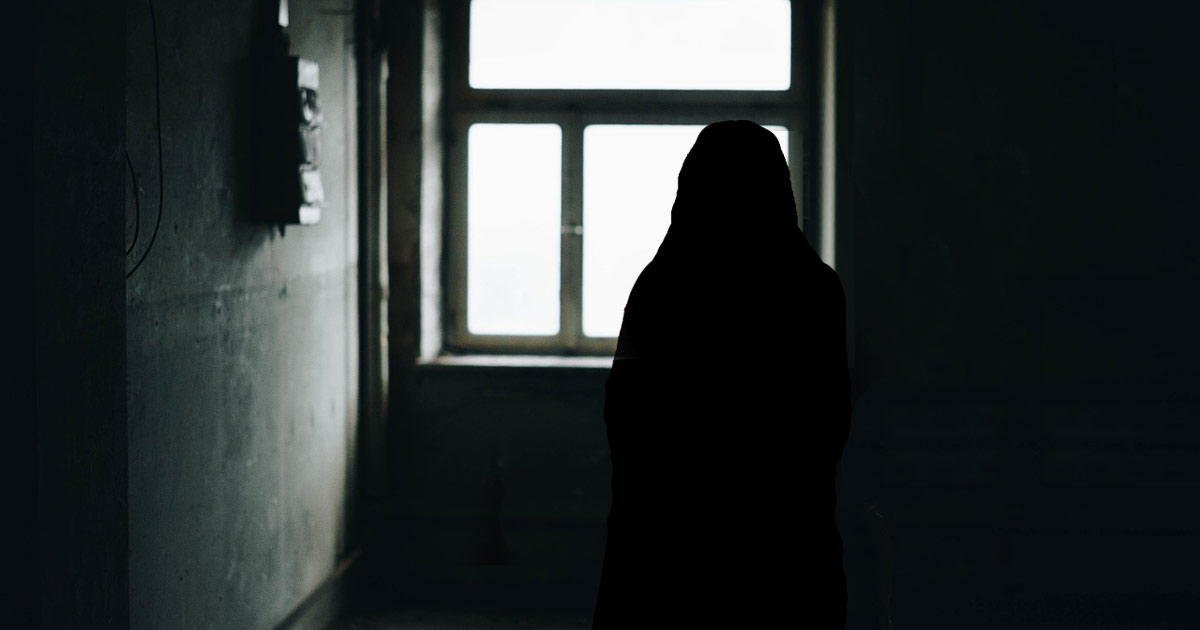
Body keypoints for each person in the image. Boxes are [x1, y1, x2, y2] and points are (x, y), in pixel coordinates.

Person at [591, 120, 851, 628]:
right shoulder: (813, 288)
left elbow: (625, 409)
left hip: (671, 532)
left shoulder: (662, 286)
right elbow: (829, 415)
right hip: (783, 534)